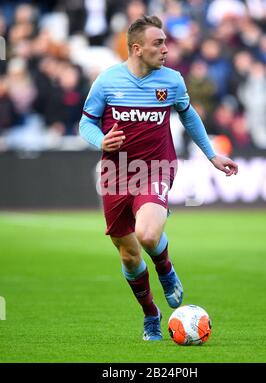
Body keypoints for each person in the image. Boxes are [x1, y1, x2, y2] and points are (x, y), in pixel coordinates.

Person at [79, 15, 238, 341]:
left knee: (148, 235)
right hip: (116, 173)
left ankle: (166, 271)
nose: (166, 49)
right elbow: (86, 124)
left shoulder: (173, 80)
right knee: (129, 254)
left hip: (155, 168)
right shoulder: (107, 81)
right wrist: (101, 141)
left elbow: (188, 114)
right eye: (158, 43)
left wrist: (211, 154)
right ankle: (151, 314)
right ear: (137, 49)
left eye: (165, 42)